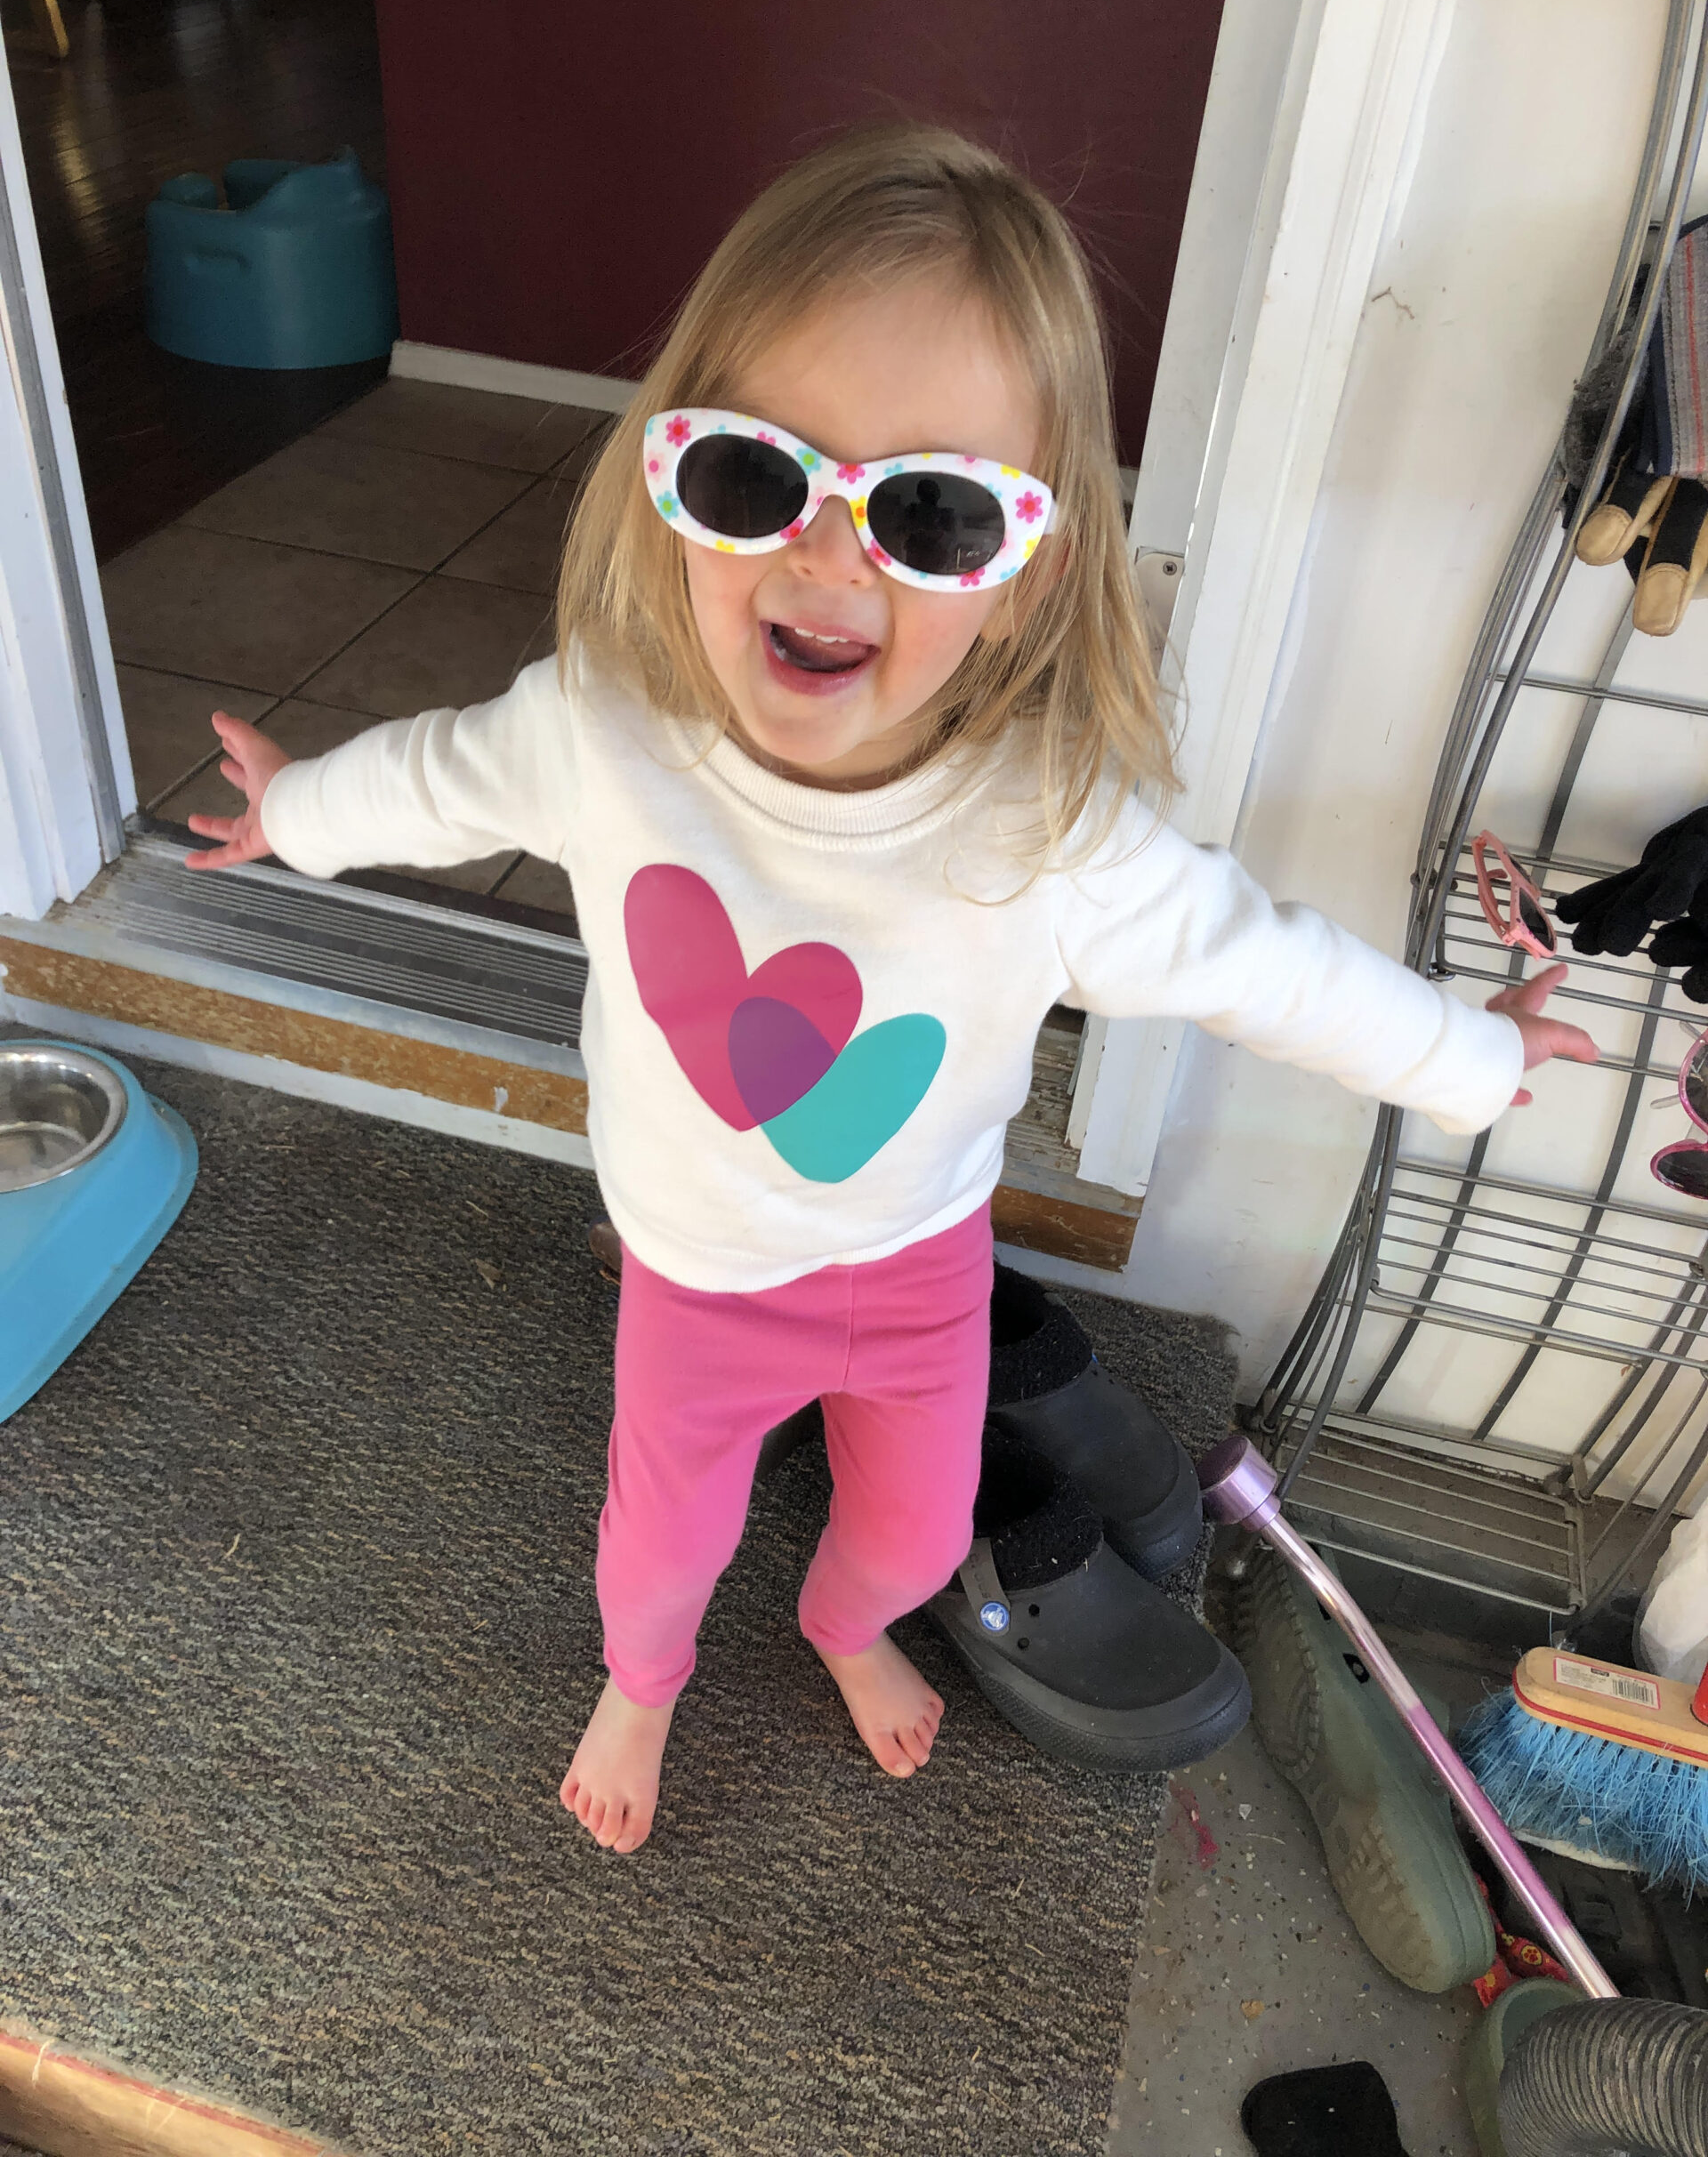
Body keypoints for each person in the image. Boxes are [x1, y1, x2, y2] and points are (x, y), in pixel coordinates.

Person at [183, 124, 1596, 1855]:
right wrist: (294, 810)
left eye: (926, 511)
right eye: (756, 481)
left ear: (1023, 581)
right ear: (667, 484)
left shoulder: (1050, 835)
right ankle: (646, 1677)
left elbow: (1261, 965)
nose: (827, 557)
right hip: (695, 1275)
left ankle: (844, 1623)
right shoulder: (607, 734)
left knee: (915, 1545)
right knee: (658, 1543)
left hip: (918, 1269)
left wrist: (1471, 1056)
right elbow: (437, 778)